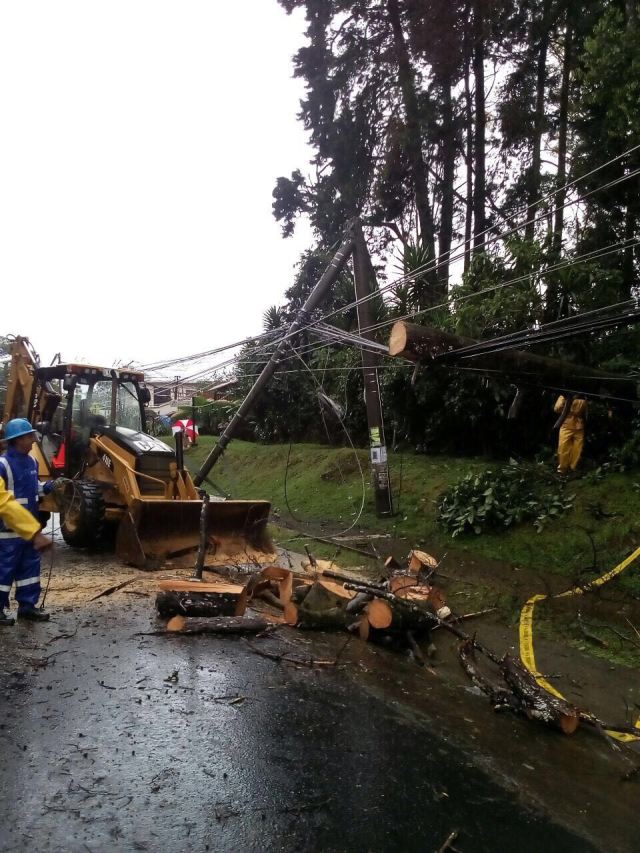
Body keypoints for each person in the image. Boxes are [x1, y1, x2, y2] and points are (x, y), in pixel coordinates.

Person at [0, 418, 55, 625]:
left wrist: (47, 487)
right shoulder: (3, 465)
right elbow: (4, 500)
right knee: (4, 570)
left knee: (30, 570)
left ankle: (27, 606)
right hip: (7, 532)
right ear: (18, 439)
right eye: (29, 435)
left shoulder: (32, 462)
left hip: (31, 529)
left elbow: (32, 489)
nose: (33, 439)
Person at [553, 394, 588, 476]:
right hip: (566, 425)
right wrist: (564, 400)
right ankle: (562, 469)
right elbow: (557, 409)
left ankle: (573, 467)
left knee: (578, 448)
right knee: (563, 447)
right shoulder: (563, 396)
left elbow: (586, 412)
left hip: (579, 425)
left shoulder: (584, 396)